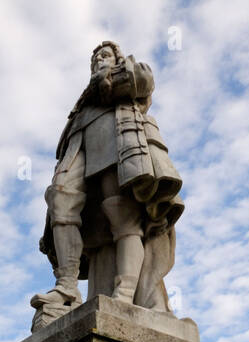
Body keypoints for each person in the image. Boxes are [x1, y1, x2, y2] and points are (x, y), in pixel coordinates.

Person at [30, 40, 184, 327]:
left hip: (118, 137)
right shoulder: (83, 102)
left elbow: (145, 82)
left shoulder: (128, 70)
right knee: (60, 196)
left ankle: (124, 294)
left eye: (105, 55)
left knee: (123, 215)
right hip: (82, 143)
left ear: (116, 58)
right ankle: (66, 286)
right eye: (95, 58)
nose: (99, 60)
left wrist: (111, 78)